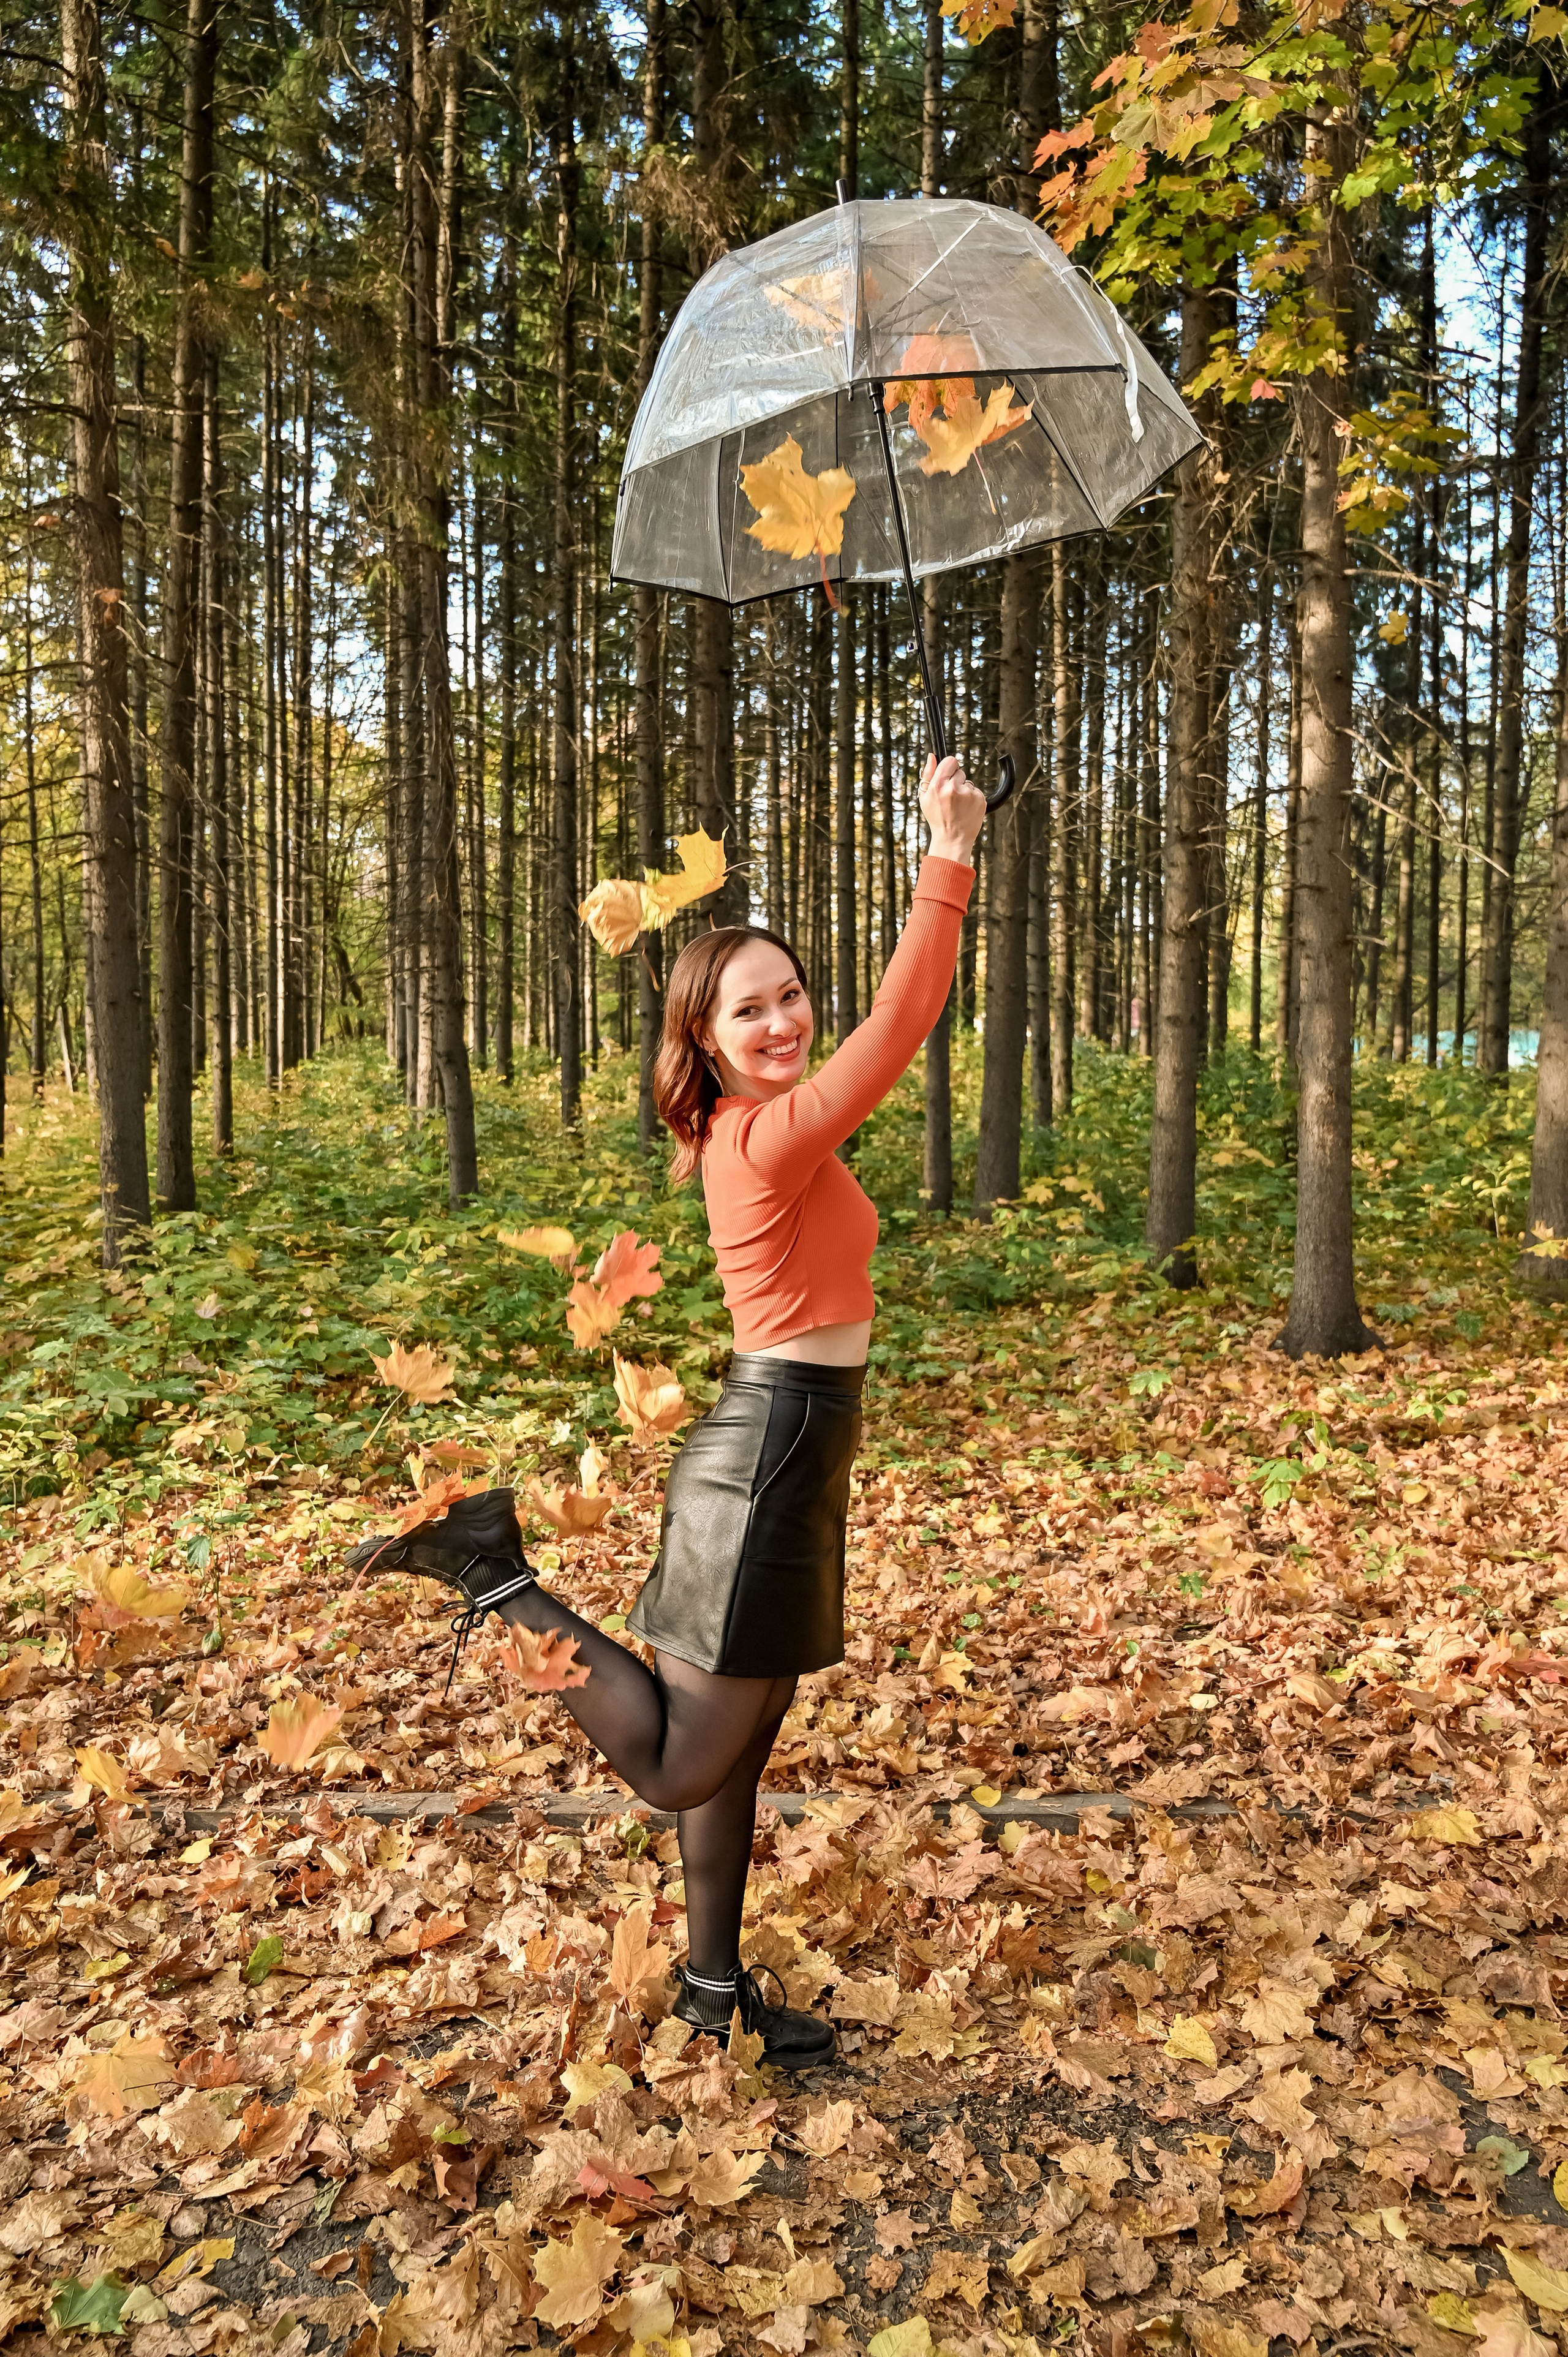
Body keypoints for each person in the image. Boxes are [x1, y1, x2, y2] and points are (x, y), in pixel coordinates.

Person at [348, 751, 987, 2067]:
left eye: (791, 995)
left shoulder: (752, 1131)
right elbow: (900, 1028)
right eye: (748, 1010)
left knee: (743, 1742)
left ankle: (708, 1986)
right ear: (700, 1036)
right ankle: (491, 1568)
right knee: (678, 1765)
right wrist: (948, 856)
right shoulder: (760, 1142)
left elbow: (846, 1065)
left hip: (796, 1452)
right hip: (766, 1454)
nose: (784, 1021)